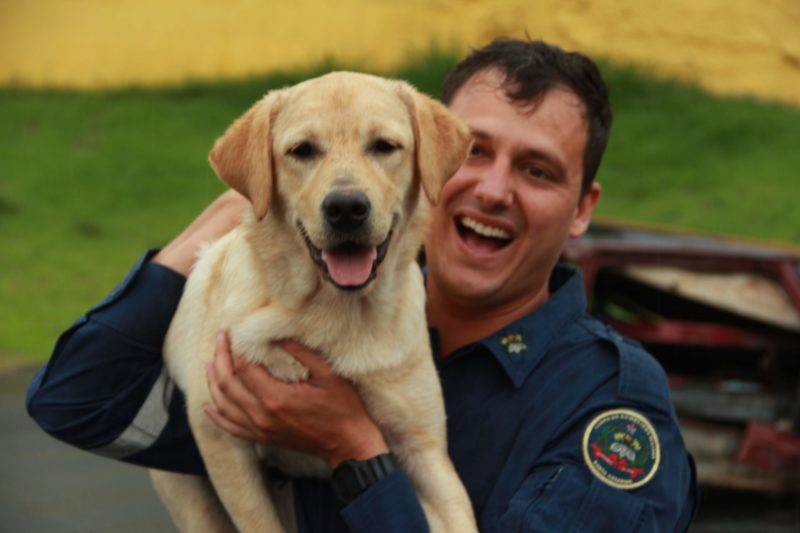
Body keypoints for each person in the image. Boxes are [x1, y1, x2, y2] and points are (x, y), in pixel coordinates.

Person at [27, 38, 698, 531]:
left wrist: (356, 450)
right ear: (436, 163)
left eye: (538, 171)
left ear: (584, 207)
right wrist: (210, 234)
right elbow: (76, 403)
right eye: (476, 151)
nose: (493, 190)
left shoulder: (607, 402)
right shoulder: (295, 331)